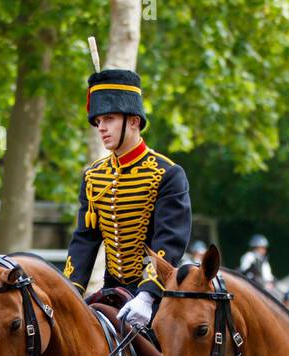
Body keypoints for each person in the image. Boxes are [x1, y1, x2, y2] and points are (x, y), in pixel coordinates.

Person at [63, 68, 192, 331]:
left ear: (133, 121)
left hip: (157, 295)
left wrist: (147, 295)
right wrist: (69, 292)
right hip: (111, 290)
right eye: (98, 120)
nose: (101, 127)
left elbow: (170, 241)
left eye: (108, 119)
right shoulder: (93, 176)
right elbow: (84, 240)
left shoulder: (167, 173)